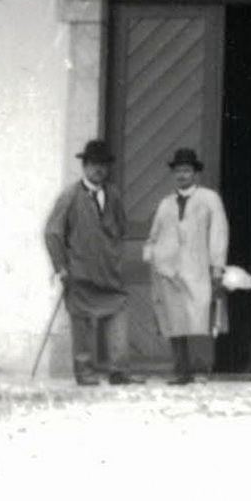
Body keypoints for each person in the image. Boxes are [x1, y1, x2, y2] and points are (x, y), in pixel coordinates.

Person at [41, 139, 142, 386]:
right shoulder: (70, 196)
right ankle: (84, 372)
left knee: (118, 313)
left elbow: (120, 227)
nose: (99, 169)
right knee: (82, 322)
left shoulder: (113, 194)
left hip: (109, 272)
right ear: (84, 166)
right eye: (94, 164)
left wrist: (114, 253)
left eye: (103, 165)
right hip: (80, 272)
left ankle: (119, 371)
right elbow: (52, 232)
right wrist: (61, 267)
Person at [143, 144, 231, 384]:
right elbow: (154, 234)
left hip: (199, 268)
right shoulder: (166, 204)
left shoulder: (209, 199)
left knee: (200, 317)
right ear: (174, 174)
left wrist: (217, 266)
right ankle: (181, 370)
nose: (182, 175)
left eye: (187, 170)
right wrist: (152, 257)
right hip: (170, 271)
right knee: (175, 320)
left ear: (195, 173)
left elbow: (218, 233)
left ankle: (201, 369)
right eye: (178, 171)